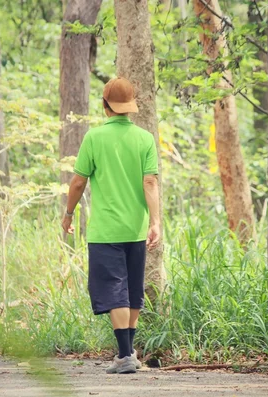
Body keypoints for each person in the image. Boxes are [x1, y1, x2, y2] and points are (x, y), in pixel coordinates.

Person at [61, 77, 161, 374]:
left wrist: (68, 213)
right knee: (131, 289)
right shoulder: (144, 139)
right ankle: (127, 353)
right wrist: (155, 222)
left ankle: (125, 354)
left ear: (105, 105)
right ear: (130, 106)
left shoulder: (94, 137)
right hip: (135, 228)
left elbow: (78, 181)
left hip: (105, 230)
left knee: (114, 290)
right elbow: (150, 182)